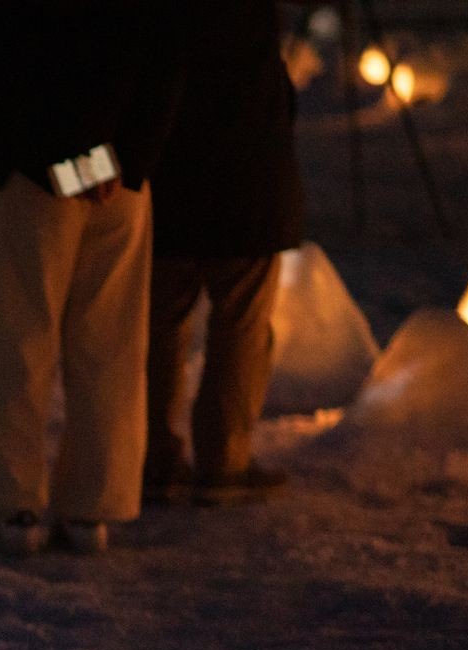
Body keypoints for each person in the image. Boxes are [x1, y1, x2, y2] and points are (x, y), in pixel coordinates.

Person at [0, 0, 186, 554]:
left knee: (21, 337)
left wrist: (52, 157)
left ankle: (17, 504)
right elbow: (165, 52)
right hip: (120, 174)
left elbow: (8, 53)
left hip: (36, 170)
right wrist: (122, 161)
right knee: (110, 343)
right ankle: (93, 504)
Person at [145, 0, 303, 507]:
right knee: (240, 325)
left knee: (160, 324)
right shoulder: (250, 20)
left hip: (171, 180)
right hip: (246, 182)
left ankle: (154, 459)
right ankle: (223, 462)